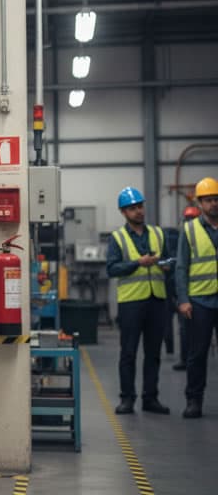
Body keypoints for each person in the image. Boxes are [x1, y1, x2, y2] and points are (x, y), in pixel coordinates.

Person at [105, 187, 172, 415]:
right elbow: (112, 269)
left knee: (153, 352)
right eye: (133, 208)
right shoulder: (118, 238)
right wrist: (137, 263)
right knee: (129, 353)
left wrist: (165, 264)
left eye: (140, 206)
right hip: (131, 302)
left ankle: (150, 398)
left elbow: (170, 260)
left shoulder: (158, 234)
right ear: (123, 212)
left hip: (157, 300)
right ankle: (127, 399)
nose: (139, 211)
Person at [176, 177, 218, 419]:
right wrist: (183, 299)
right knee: (197, 353)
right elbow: (182, 267)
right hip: (200, 301)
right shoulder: (189, 230)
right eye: (209, 200)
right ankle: (194, 400)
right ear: (200, 203)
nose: (214, 204)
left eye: (216, 199)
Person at [168, 205, 200, 371]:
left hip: (203, 292)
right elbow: (179, 267)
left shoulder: (206, 235)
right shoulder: (178, 237)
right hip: (185, 292)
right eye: (188, 219)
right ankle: (185, 360)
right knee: (184, 329)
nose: (190, 222)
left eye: (192, 219)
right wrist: (181, 296)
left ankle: (190, 360)